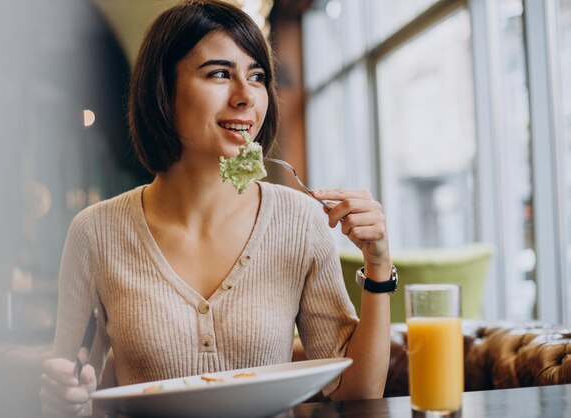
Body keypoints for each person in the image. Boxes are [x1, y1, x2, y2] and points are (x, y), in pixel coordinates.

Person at [39, 0, 393, 416]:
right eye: (220, 74)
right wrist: (65, 398)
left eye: (257, 76)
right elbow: (72, 394)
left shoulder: (301, 220)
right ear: (163, 91)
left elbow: (356, 391)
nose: (246, 96)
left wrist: (378, 264)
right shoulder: (95, 232)